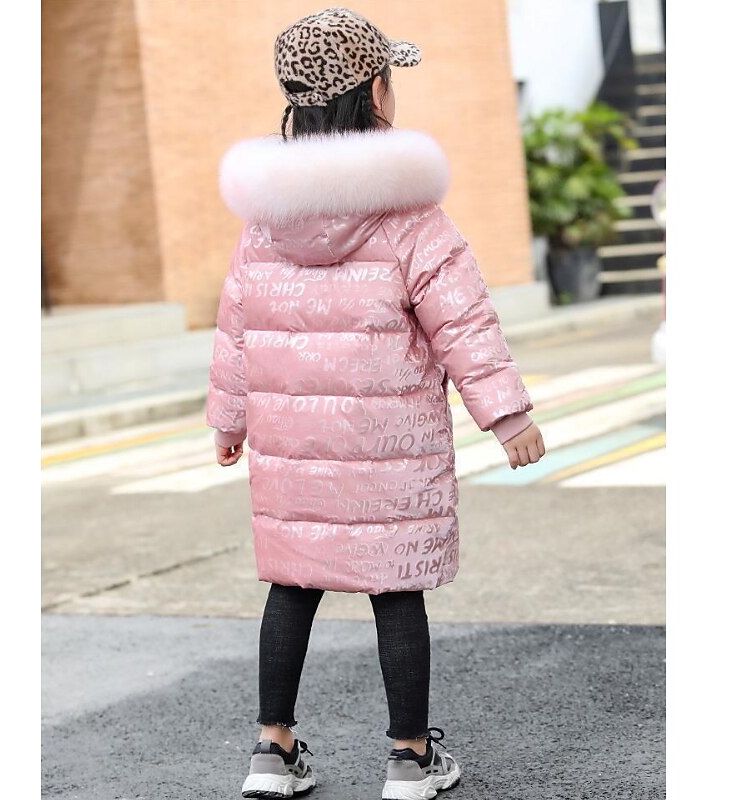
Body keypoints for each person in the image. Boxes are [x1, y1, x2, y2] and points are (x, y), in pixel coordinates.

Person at [207, 8, 547, 799]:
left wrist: (229, 420)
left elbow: (236, 328)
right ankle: (409, 758)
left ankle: (272, 751)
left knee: (292, 584)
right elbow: (461, 319)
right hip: (389, 450)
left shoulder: (264, 223)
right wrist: (508, 416)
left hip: (295, 451)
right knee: (396, 591)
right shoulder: (409, 216)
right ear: (376, 92)